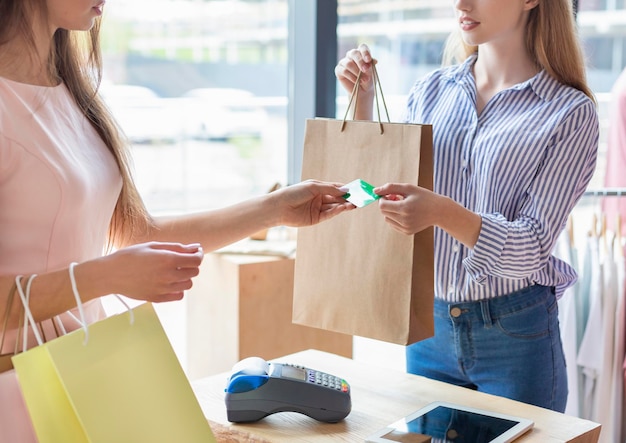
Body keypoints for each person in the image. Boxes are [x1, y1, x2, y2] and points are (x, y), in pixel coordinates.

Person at [0, 1, 354, 440]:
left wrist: (275, 209)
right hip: (18, 391)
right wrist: (105, 275)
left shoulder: (70, 90)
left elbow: (135, 230)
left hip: (78, 373)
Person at [335, 0, 598, 412]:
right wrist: (362, 102)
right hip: (429, 330)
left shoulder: (569, 113)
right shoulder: (430, 91)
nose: (460, 3)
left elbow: (531, 246)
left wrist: (441, 211)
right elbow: (369, 200)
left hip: (516, 337)